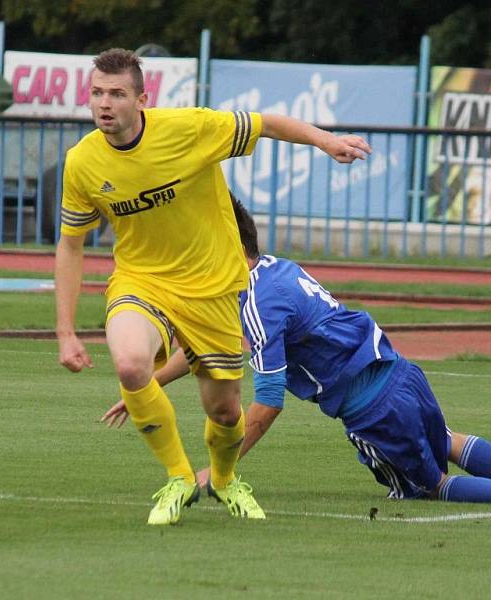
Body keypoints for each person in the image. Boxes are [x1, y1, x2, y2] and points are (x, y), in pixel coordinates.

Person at [102, 196, 491, 512]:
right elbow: (202, 348)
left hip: (372, 409)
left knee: (431, 488)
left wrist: (215, 474)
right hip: (402, 373)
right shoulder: (278, 270)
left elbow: (268, 403)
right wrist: (148, 384)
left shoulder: (254, 302)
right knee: (447, 439)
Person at [55, 48, 372, 526]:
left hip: (213, 288)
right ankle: (180, 477)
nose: (105, 103)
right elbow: (71, 245)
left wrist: (325, 141)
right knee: (129, 362)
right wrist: (65, 332)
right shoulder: (81, 162)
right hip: (142, 282)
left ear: (142, 99)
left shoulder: (189, 129)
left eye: (117, 93)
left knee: (224, 412)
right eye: (97, 92)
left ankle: (223, 479)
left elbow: (265, 123)